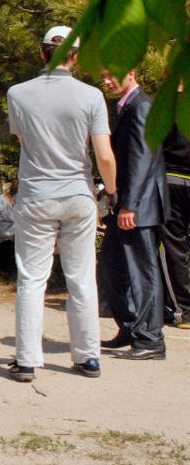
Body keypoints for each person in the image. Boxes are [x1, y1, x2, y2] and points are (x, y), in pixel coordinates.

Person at [5, 25, 117, 382]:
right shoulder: (91, 96)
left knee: (32, 278)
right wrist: (111, 191)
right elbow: (104, 155)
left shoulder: (17, 93)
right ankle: (87, 357)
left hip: (37, 196)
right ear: (76, 56)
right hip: (77, 195)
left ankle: (26, 360)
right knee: (82, 278)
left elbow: (24, 138)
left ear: (42, 53)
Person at [100, 69, 168, 360]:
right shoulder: (127, 105)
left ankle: (151, 339)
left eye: (111, 75)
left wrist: (129, 206)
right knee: (111, 266)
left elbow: (142, 159)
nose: (106, 82)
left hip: (138, 208)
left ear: (131, 73)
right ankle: (130, 327)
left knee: (143, 272)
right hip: (125, 205)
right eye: (103, 76)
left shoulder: (142, 106)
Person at [161, 120, 190, 329]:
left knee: (173, 248)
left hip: (172, 179)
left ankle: (185, 311)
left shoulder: (165, 109)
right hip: (177, 178)